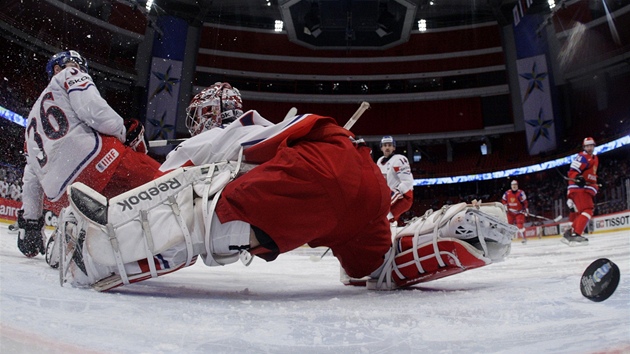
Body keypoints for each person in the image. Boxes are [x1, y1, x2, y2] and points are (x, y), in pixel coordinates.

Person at [56, 82, 516, 292]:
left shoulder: (230, 128)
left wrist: (121, 199)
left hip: (314, 168)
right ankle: (446, 233)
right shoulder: (271, 125)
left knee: (195, 213)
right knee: (372, 271)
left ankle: (93, 257)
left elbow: (167, 183)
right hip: (362, 180)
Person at [18, 50, 160, 259]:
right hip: (99, 164)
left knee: (115, 216)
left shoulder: (32, 121)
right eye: (73, 64)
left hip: (63, 196)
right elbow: (94, 111)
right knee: (165, 182)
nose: (79, 69)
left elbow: (31, 178)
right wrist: (124, 132)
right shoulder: (68, 76)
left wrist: (30, 222)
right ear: (57, 69)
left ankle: (74, 227)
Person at [563, 137, 599, 246]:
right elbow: (572, 172)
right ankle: (576, 234)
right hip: (578, 188)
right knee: (588, 210)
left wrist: (597, 180)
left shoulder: (595, 158)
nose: (589, 148)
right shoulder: (582, 157)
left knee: (582, 212)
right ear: (584, 147)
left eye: (591, 145)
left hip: (585, 188)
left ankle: (570, 233)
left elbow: (591, 174)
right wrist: (577, 177)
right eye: (587, 146)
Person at [376, 136, 414, 225]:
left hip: (403, 197)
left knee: (385, 218)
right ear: (381, 147)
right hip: (389, 196)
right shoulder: (379, 161)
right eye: (385, 145)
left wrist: (393, 195)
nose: (387, 147)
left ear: (394, 147)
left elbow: (407, 182)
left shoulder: (399, 159)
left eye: (390, 145)